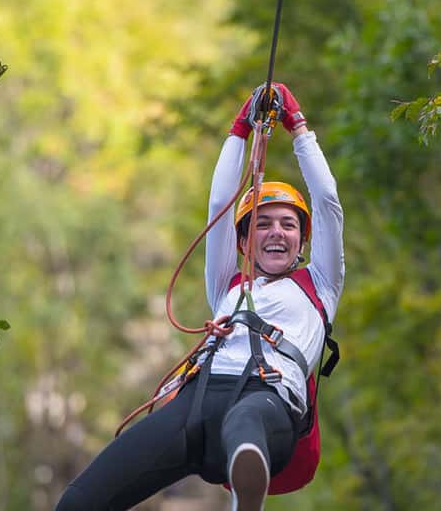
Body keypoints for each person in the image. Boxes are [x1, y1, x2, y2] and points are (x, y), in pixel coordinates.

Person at [55, 83, 344, 511]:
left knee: (246, 426)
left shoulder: (319, 285)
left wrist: (298, 127)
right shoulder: (227, 283)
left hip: (267, 404)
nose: (277, 232)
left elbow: (327, 201)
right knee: (77, 503)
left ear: (303, 240)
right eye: (262, 225)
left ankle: (247, 488)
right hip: (195, 403)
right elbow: (218, 207)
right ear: (243, 242)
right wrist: (239, 129)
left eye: (287, 224)